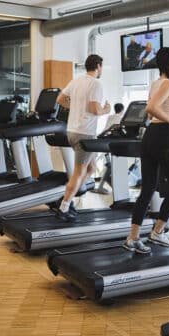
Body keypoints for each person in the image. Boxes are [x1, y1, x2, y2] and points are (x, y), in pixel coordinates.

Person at [123, 47, 169, 254]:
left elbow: (151, 115)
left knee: (148, 188)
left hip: (151, 136)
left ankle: (133, 238)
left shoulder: (156, 83)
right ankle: (158, 231)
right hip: (164, 136)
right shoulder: (168, 83)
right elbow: (150, 109)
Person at [56, 54, 111, 220]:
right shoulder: (96, 83)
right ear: (98, 66)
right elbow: (95, 109)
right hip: (84, 133)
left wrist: (74, 106)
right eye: (101, 67)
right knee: (79, 172)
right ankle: (64, 206)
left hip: (72, 131)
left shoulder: (76, 80)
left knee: (91, 168)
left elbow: (60, 99)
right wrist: (106, 110)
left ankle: (69, 195)